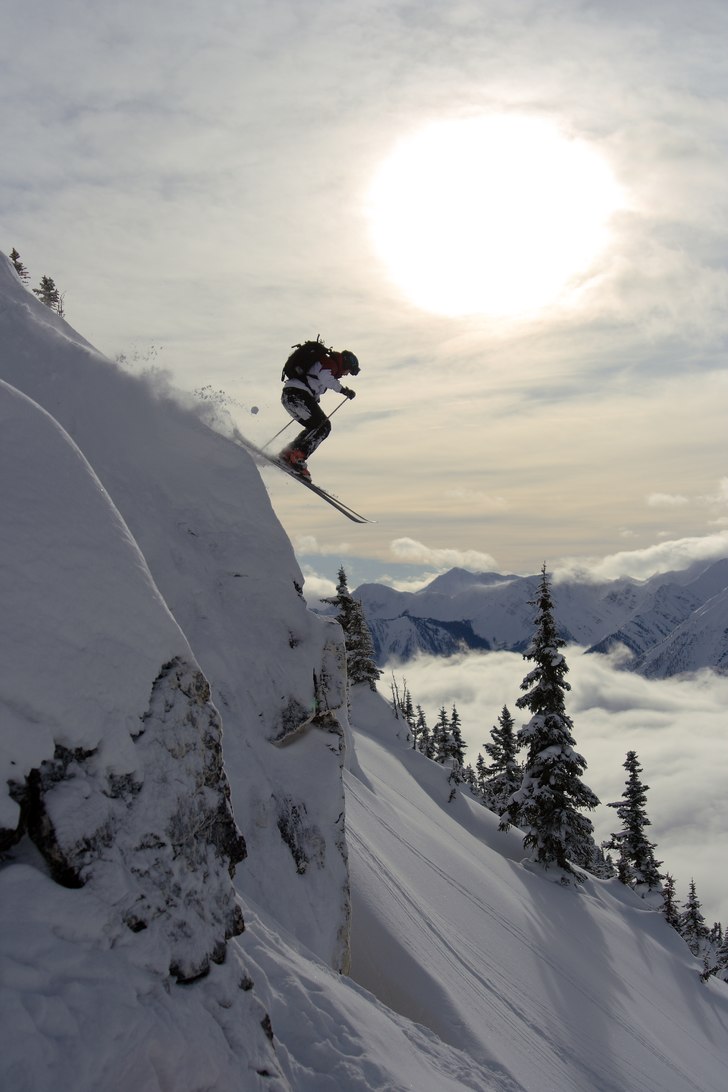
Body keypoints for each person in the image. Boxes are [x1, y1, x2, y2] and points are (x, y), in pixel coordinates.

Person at [279, 344, 359, 479]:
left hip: (290, 397)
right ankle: (297, 457)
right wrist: (344, 390)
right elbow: (325, 378)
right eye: (348, 371)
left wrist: (314, 398)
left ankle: (288, 454)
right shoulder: (330, 363)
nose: (346, 374)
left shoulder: (323, 363)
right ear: (344, 364)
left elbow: (316, 380)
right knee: (324, 426)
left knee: (315, 426)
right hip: (297, 395)